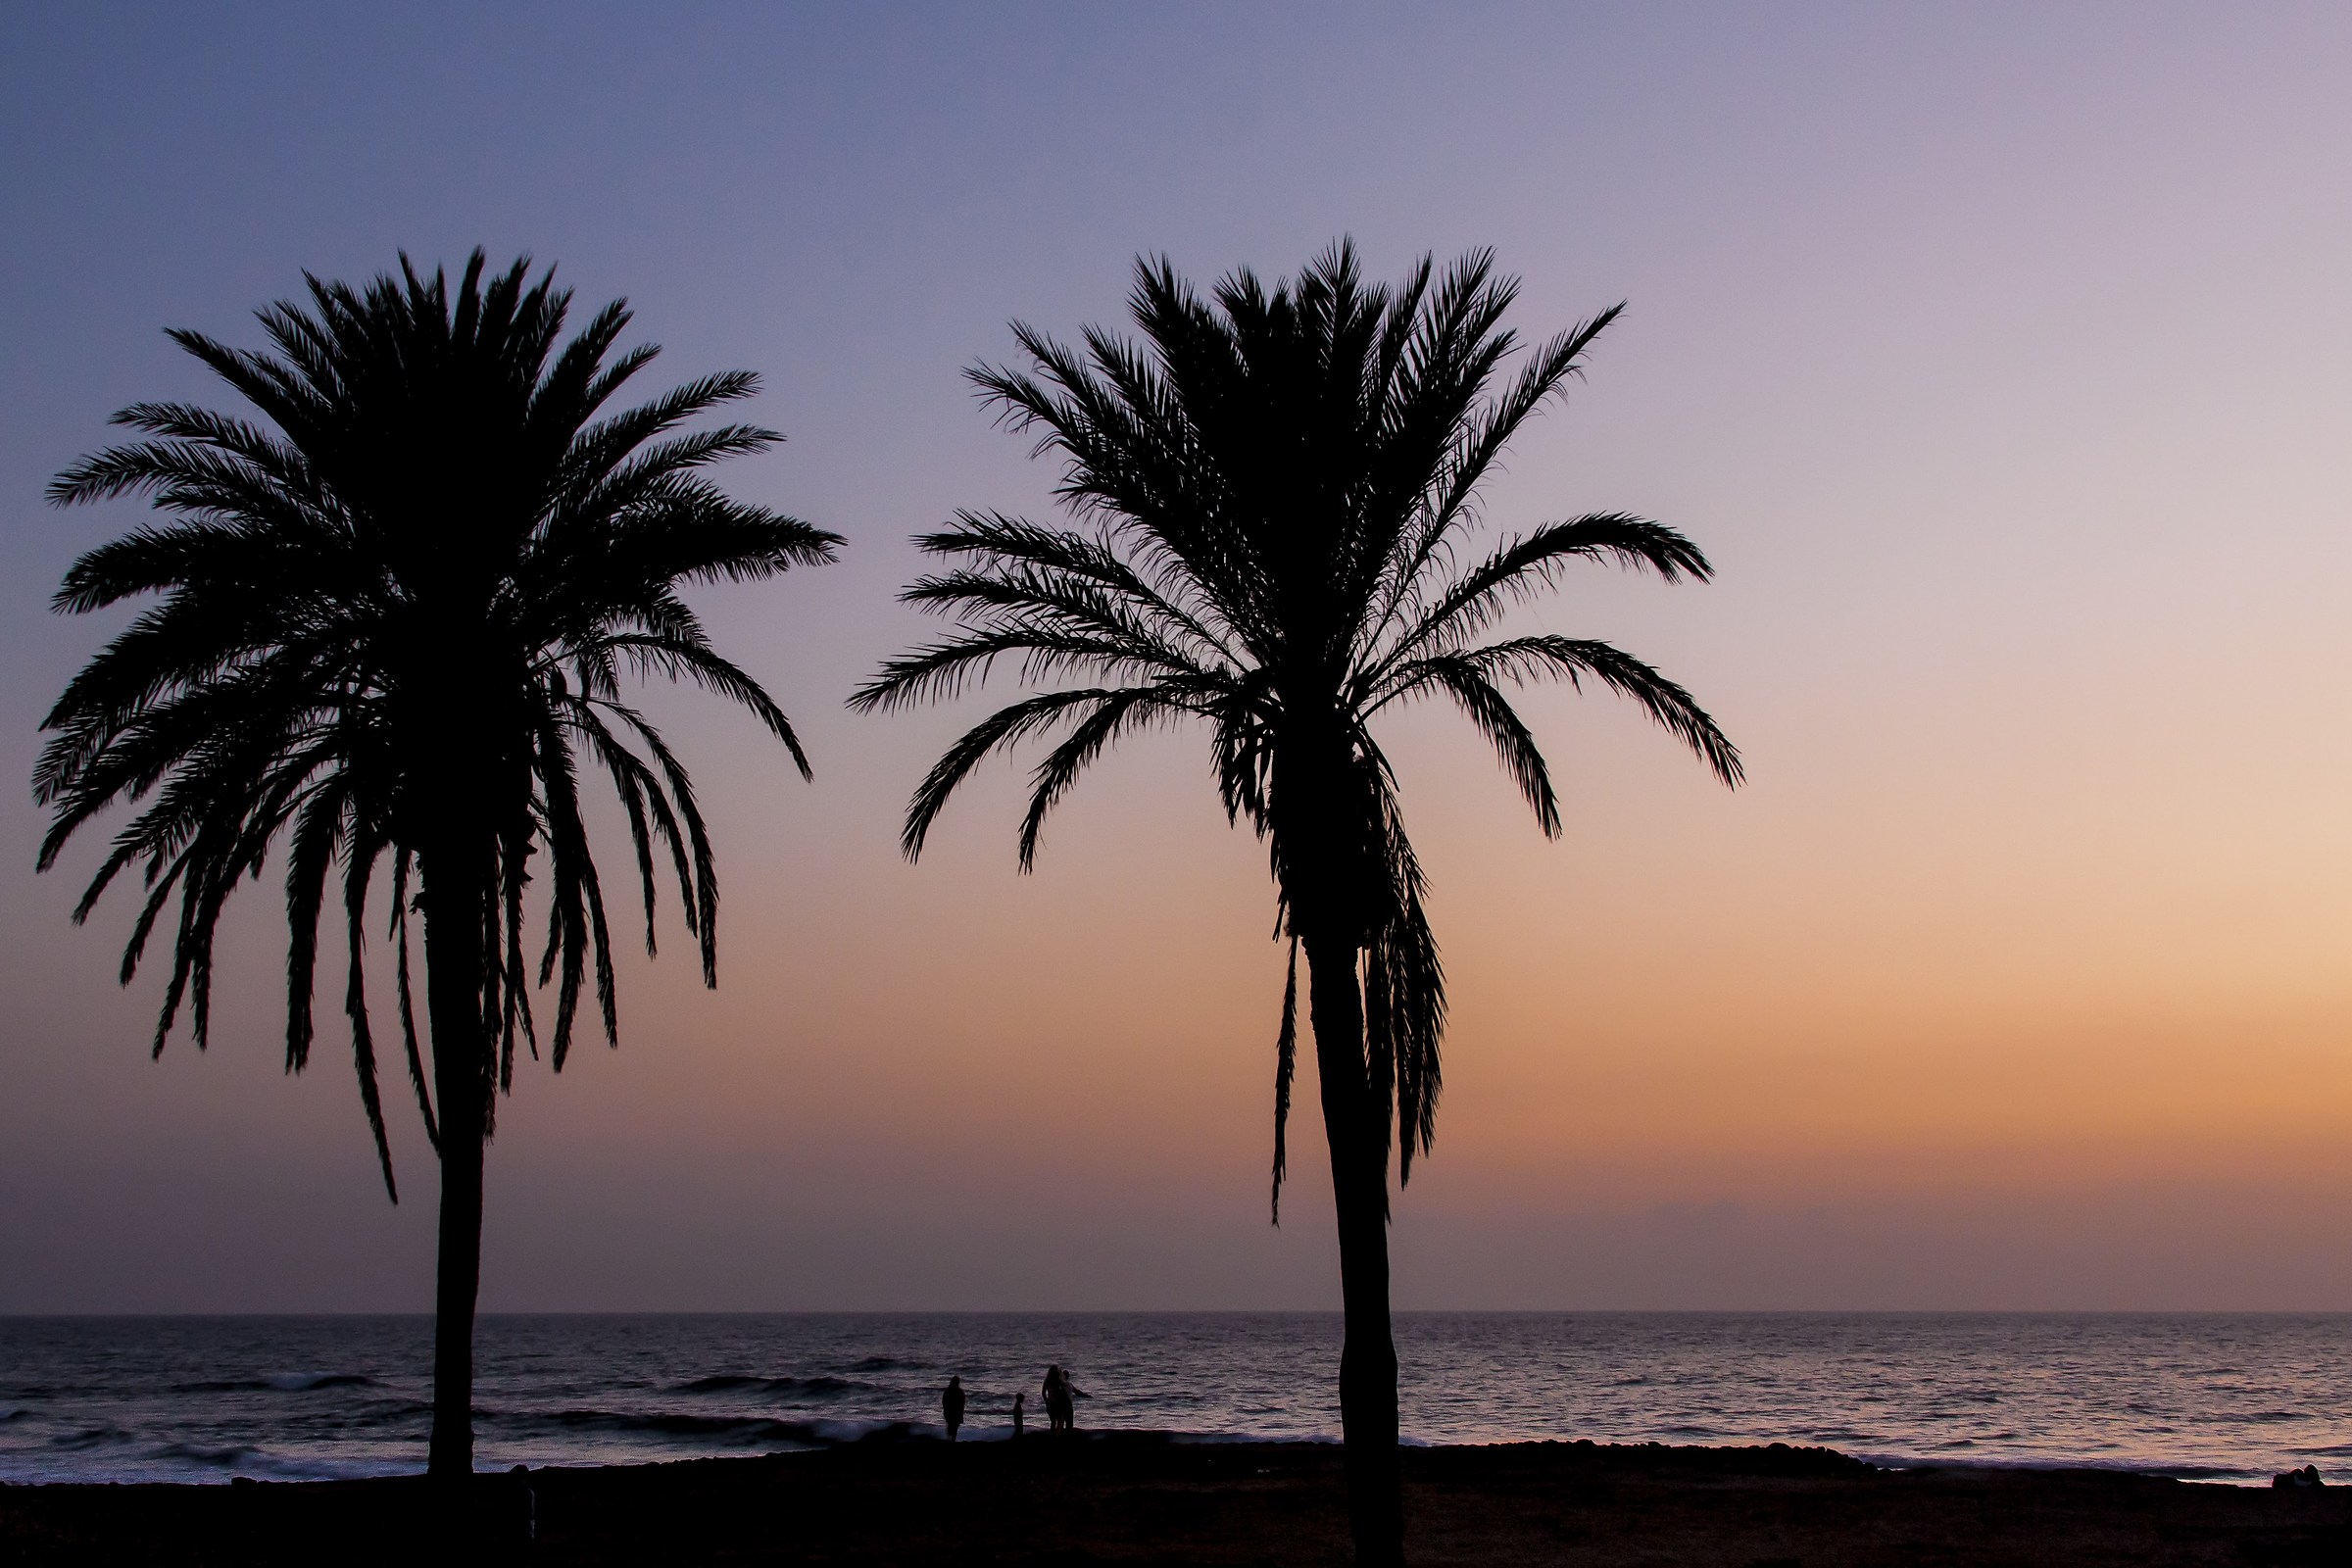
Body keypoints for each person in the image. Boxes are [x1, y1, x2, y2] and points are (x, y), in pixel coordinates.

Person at [942, 1375, 966, 1442]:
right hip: (954, 1412)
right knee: (954, 1428)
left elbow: (944, 1402)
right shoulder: (959, 1392)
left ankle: (950, 1439)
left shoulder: (948, 1391)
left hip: (951, 1412)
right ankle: (952, 1439)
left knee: (952, 1427)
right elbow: (962, 1403)